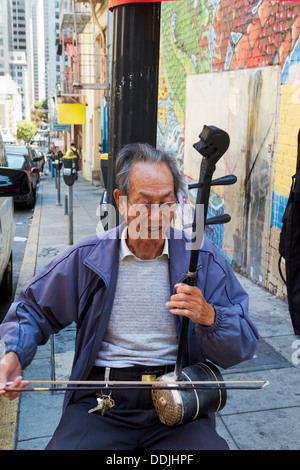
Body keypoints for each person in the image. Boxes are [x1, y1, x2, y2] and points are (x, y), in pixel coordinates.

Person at [0, 142, 258, 450]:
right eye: (145, 203)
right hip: (102, 402)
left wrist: (210, 318)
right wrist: (12, 354)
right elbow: (33, 309)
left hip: (179, 400)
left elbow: (243, 345)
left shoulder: (201, 259)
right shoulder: (89, 258)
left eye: (166, 202)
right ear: (121, 202)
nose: (156, 215)